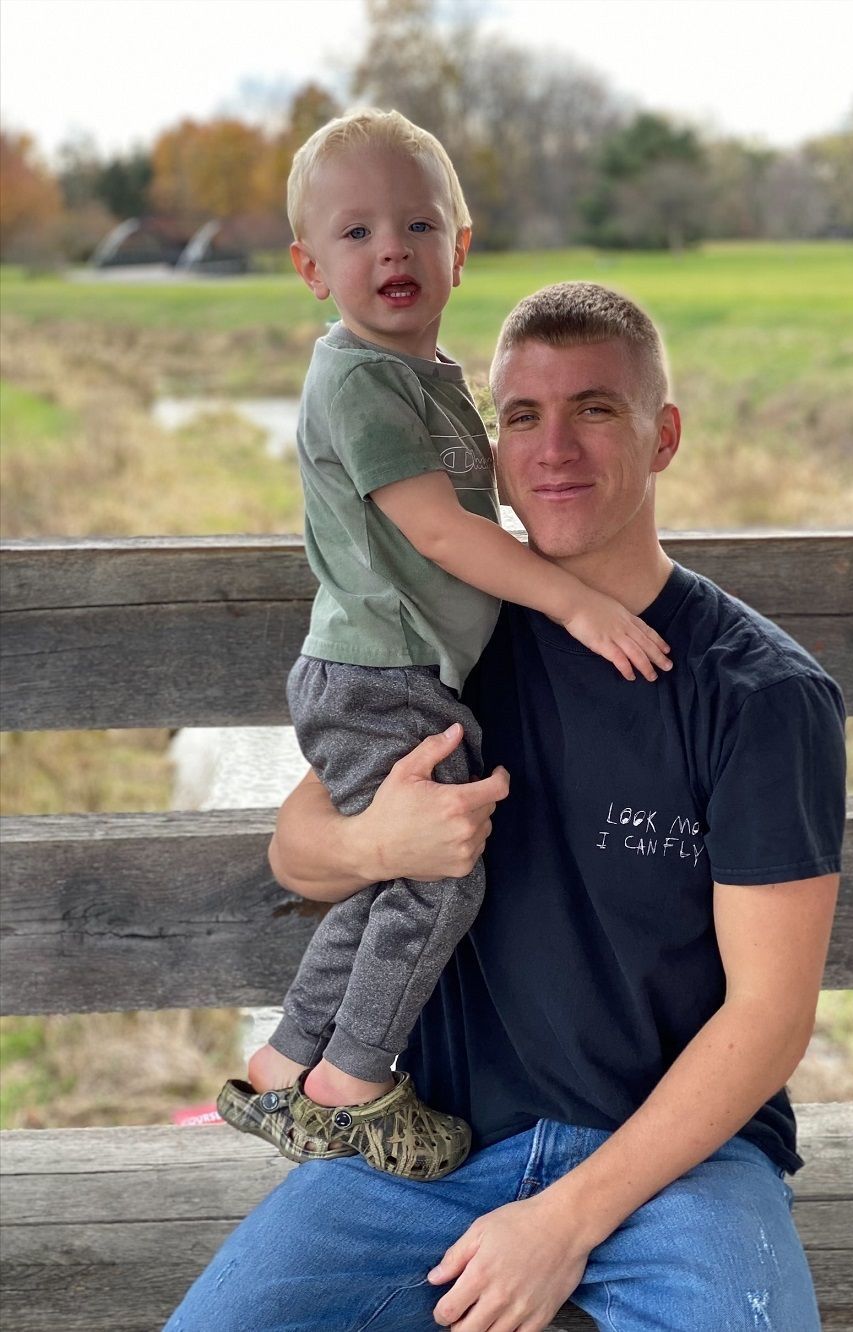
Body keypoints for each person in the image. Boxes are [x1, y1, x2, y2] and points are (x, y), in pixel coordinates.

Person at [169, 281, 845, 1332]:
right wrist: (372, 840)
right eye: (522, 416)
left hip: (676, 1163)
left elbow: (769, 1017)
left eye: (596, 409)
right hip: (428, 1150)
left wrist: (562, 1222)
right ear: (487, 447)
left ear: (662, 435)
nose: (554, 447)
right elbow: (298, 856)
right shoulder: (449, 648)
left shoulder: (757, 694)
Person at [216, 109, 671, 1183]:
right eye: (356, 231)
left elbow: (475, 526)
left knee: (401, 879)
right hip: (381, 676)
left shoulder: (424, 378)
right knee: (438, 881)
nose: (391, 249)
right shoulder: (361, 381)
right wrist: (573, 602)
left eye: (418, 224)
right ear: (309, 268)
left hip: (398, 672)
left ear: (458, 250)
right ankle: (355, 1083)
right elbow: (437, 529)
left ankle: (286, 1064)